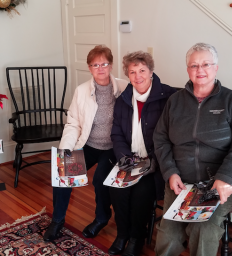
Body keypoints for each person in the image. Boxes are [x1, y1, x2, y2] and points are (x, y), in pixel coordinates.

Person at [153, 43, 232, 256]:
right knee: (168, 234)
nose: (200, 70)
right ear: (187, 70)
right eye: (194, 65)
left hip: (219, 182)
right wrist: (170, 172)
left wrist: (225, 178)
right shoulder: (175, 101)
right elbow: (160, 138)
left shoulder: (231, 100)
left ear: (216, 68)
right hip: (181, 181)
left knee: (203, 228)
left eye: (206, 64)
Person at [43, 45, 128, 241]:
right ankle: (57, 221)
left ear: (111, 65)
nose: (100, 68)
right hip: (88, 144)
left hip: (113, 147)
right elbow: (73, 123)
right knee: (63, 174)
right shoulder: (81, 91)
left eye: (104, 63)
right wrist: (66, 150)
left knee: (99, 179)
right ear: (89, 68)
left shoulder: (124, 88)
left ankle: (101, 218)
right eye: (95, 64)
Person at [108, 51, 176, 256]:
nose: (138, 76)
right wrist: (124, 157)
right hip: (130, 158)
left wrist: (151, 162)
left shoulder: (168, 97)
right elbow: (116, 133)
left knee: (142, 192)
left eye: (142, 70)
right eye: (132, 71)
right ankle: (122, 234)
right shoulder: (123, 100)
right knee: (117, 189)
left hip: (156, 162)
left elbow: (172, 137)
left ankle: (136, 237)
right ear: (127, 75)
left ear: (151, 72)